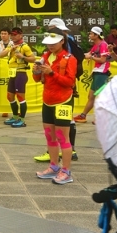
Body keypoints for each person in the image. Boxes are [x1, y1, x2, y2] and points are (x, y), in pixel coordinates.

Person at [32, 29, 78, 185]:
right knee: (49, 136)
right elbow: (37, 79)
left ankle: (66, 171)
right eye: (48, 44)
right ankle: (53, 166)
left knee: (62, 137)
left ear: (62, 41)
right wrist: (36, 72)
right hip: (47, 100)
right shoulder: (45, 57)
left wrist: (52, 73)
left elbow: (69, 82)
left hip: (63, 101)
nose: (50, 46)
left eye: (54, 43)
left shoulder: (69, 59)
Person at [0, 27, 36, 128]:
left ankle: (22, 120)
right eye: (12, 35)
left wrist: (22, 57)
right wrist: (10, 49)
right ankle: (15, 116)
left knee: (20, 97)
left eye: (15, 35)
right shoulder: (11, 45)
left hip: (21, 73)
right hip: (12, 73)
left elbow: (33, 59)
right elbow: (0, 55)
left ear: (20, 35)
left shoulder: (25, 47)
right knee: (10, 96)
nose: (13, 37)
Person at [73, 27, 110, 124]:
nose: (89, 35)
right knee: (91, 96)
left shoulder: (103, 45)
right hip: (97, 73)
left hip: (102, 73)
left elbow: (102, 60)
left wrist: (92, 57)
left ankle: (101, 118)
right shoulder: (96, 45)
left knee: (100, 97)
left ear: (96, 35)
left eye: (91, 33)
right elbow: (87, 55)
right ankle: (83, 116)